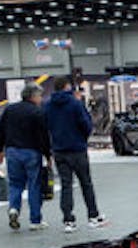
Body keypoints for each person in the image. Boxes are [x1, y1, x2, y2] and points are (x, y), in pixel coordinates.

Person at [44, 75, 106, 234]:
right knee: (86, 183)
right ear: (66, 86)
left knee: (66, 186)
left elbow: (45, 126)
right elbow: (86, 125)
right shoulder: (75, 104)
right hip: (77, 149)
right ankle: (93, 217)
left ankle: (68, 221)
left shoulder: (48, 105)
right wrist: (82, 138)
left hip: (59, 150)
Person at [0, 83, 52, 230]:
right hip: (31, 152)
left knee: (15, 184)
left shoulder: (10, 109)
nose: (40, 99)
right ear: (33, 96)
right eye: (39, 96)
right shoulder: (37, 112)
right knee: (34, 185)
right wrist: (48, 154)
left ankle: (14, 208)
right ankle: (35, 220)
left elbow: (0, 130)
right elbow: (43, 135)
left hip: (12, 151)